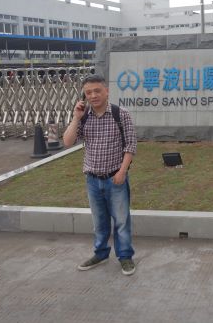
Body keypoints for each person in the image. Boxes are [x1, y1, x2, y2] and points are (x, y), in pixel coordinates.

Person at [63, 74, 137, 275]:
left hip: (116, 178)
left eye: (97, 91)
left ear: (107, 91)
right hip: (92, 180)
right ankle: (101, 253)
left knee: (121, 221)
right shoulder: (84, 116)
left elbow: (130, 146)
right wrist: (76, 117)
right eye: (88, 93)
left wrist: (122, 171)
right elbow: (67, 141)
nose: (93, 95)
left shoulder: (121, 114)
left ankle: (125, 256)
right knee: (99, 222)